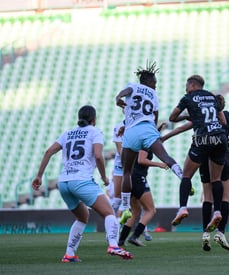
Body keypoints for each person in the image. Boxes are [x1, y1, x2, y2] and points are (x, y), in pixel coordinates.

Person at [31, 105, 133, 262]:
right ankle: (114, 245)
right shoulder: (95, 132)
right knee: (109, 213)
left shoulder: (67, 133)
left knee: (82, 216)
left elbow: (48, 152)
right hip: (81, 180)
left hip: (64, 183)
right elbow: (99, 156)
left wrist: (39, 176)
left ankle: (69, 254)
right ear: (94, 119)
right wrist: (104, 178)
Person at [162, 94, 229, 251]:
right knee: (225, 196)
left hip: (204, 156)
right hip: (223, 158)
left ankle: (204, 235)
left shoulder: (201, 115)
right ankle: (220, 233)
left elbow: (182, 128)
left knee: (207, 196)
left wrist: (164, 137)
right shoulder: (226, 116)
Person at [115, 61, 183, 211]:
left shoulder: (133, 86)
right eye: (155, 82)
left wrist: (118, 97)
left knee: (127, 171)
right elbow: (155, 116)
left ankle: (125, 207)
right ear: (149, 82)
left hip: (131, 132)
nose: (156, 85)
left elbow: (125, 92)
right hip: (147, 128)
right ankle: (182, 176)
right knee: (165, 157)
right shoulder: (153, 94)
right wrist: (154, 133)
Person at [168, 75, 228, 232]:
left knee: (186, 175)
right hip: (220, 137)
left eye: (186, 86)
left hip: (203, 138)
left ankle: (182, 208)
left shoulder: (188, 97)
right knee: (216, 179)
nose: (186, 89)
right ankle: (217, 211)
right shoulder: (212, 96)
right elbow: (223, 122)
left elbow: (172, 118)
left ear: (193, 85)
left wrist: (187, 116)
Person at [118, 148, 168, 247]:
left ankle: (121, 240)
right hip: (138, 178)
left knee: (136, 211)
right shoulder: (145, 143)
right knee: (150, 210)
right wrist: (160, 164)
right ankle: (135, 236)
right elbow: (141, 160)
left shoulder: (136, 142)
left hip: (129, 178)